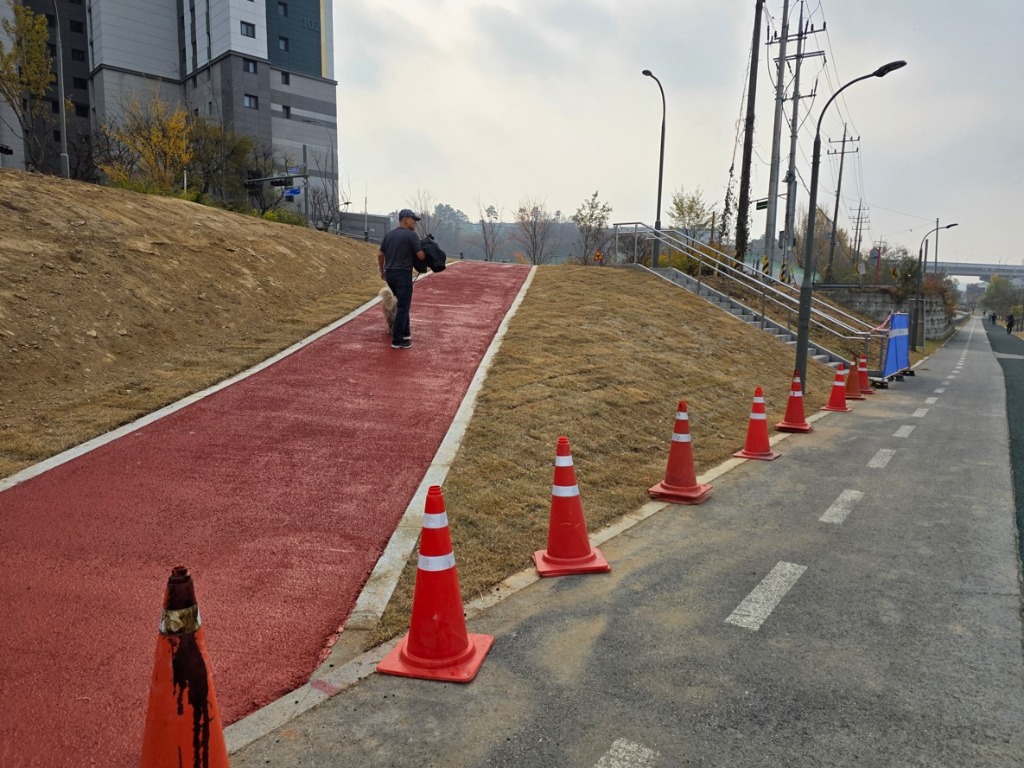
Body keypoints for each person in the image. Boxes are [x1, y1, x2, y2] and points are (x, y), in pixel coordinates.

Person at [378, 209, 427, 349]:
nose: (415, 223)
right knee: (403, 307)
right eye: (413, 220)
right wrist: (427, 248)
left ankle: (406, 335)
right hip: (403, 274)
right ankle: (397, 340)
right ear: (405, 219)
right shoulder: (411, 236)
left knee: (402, 304)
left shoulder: (389, 235)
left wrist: (382, 270)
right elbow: (421, 256)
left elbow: (381, 255)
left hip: (390, 275)